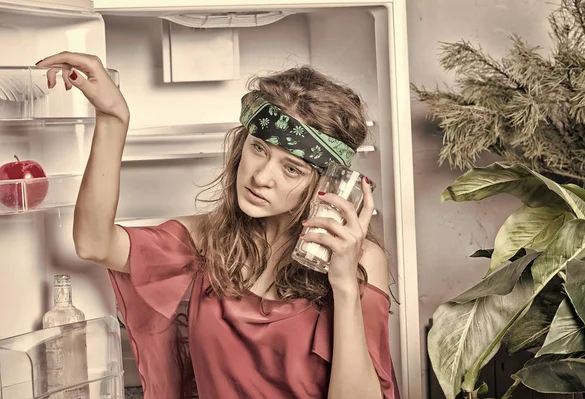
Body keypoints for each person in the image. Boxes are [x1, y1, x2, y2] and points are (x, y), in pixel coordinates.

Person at [36, 51, 400, 399]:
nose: (261, 177)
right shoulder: (204, 240)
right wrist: (114, 118)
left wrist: (344, 285)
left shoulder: (359, 259)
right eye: (259, 149)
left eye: (291, 169)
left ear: (324, 185)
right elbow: (94, 242)